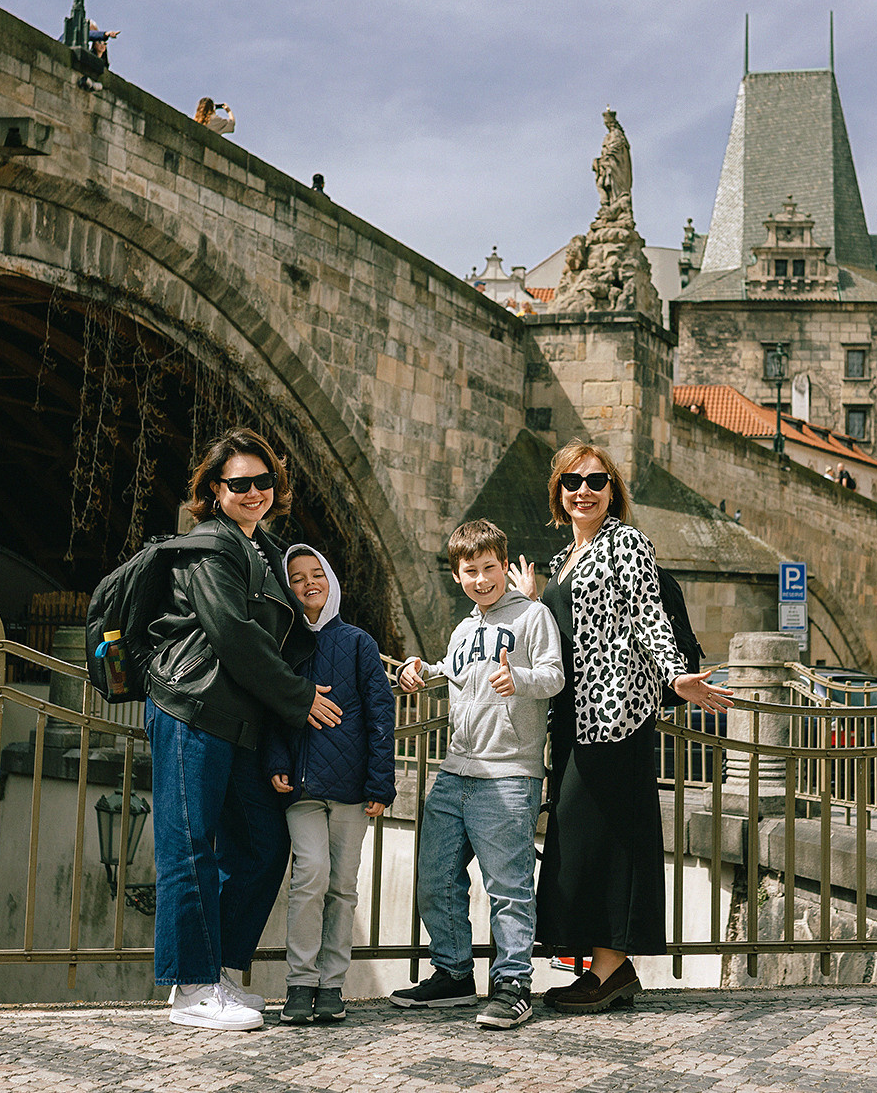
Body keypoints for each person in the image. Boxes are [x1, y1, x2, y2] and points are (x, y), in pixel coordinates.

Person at [513, 442, 731, 1013]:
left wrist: (677, 676)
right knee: (579, 841)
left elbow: (645, 615)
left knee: (607, 840)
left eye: (596, 480)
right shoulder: (569, 556)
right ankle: (603, 967)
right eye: (571, 481)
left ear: (613, 490)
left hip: (614, 716)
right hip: (576, 719)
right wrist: (537, 600)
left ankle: (611, 970)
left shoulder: (624, 542)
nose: (583, 490)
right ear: (558, 493)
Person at [143, 427, 342, 1032]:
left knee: (261, 844)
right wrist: (298, 697)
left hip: (239, 721)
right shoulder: (209, 548)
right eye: (239, 484)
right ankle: (191, 987)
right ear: (213, 489)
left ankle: (216, 971)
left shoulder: (265, 549)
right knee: (189, 845)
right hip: (192, 707)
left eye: (264, 481)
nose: (253, 491)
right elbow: (233, 632)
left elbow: (304, 623)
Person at [390, 519, 563, 1030]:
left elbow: (553, 675)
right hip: (455, 772)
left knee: (508, 887)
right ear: (456, 575)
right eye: (471, 571)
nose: (482, 579)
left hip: (509, 775)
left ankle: (513, 985)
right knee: (436, 879)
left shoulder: (533, 616)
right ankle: (454, 974)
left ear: (505, 567)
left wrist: (520, 678)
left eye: (490, 568)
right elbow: (455, 669)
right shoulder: (464, 628)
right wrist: (423, 671)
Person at [263, 544, 394, 1026]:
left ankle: (332, 985)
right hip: (300, 787)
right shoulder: (284, 644)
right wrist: (276, 758)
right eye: (296, 578)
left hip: (352, 789)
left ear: (332, 581)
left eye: (316, 574)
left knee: (342, 887)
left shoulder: (358, 643)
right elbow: (274, 706)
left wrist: (381, 783)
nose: (308, 583)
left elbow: (381, 714)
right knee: (310, 875)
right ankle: (300, 983)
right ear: (288, 589)